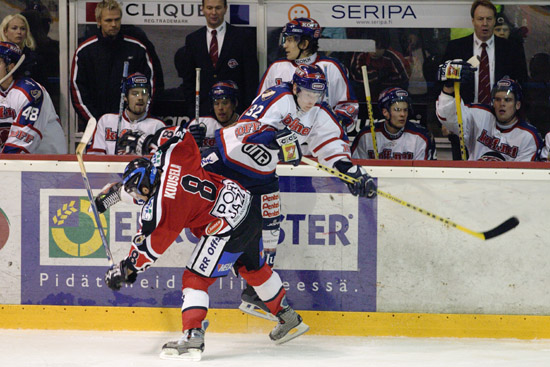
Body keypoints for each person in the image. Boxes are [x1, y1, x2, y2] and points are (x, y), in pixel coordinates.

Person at [102, 131, 309, 361]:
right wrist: (147, 141)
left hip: (227, 225)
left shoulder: (163, 211)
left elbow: (148, 250)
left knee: (195, 279)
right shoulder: (174, 156)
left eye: (133, 192)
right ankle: (287, 316)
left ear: (143, 188)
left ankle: (193, 335)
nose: (136, 197)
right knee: (253, 268)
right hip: (248, 207)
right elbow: (181, 135)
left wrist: (125, 269)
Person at [257, 17, 358, 130]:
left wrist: (336, 122)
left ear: (304, 43)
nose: (285, 45)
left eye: (290, 40)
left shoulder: (331, 67)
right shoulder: (276, 68)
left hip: (320, 141)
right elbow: (259, 107)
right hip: (283, 141)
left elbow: (349, 107)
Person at [70, 0, 157, 127]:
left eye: (117, 19)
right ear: (99, 22)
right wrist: (97, 123)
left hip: (132, 124)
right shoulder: (85, 51)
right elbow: (78, 91)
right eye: (108, 20)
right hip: (96, 125)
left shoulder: (136, 48)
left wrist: (136, 119)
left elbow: (150, 85)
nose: (114, 24)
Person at [436, 60, 542, 161]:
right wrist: (448, 88)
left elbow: (523, 174)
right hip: (473, 177)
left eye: (507, 100)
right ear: (492, 102)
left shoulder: (529, 136)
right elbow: (449, 118)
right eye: (498, 99)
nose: (502, 104)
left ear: (517, 105)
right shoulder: (479, 115)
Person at [178, 0, 259, 118]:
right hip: (203, 113)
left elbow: (251, 79)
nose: (213, 12)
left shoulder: (243, 37)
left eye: (218, 8)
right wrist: (193, 111)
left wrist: (246, 113)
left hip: (236, 113)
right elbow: (189, 80)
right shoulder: (193, 39)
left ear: (225, 9)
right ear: (203, 9)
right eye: (209, 8)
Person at [442, 0, 528, 105]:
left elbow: (523, 83)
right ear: (473, 21)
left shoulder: (512, 49)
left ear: (495, 21)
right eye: (480, 19)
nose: (485, 23)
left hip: (500, 116)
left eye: (489, 19)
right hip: (465, 114)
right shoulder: (455, 48)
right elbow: (444, 84)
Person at [0, 42, 66, 154]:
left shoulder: (31, 92)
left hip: (48, 163)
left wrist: (4, 164)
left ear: (10, 66)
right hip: (13, 164)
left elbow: (22, 141)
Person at [87, 73, 165, 155]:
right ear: (125, 97)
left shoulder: (158, 126)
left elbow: (160, 162)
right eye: (135, 93)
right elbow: (95, 156)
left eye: (144, 93)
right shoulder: (106, 121)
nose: (140, 98)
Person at [351, 87, 436, 160]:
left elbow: (424, 174)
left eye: (405, 110)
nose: (402, 114)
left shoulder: (421, 136)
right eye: (397, 110)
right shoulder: (366, 135)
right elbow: (355, 169)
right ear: (385, 112)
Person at [349, 29, 411, 105]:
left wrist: (385, 79)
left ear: (385, 47)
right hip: (364, 96)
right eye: (372, 47)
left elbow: (404, 80)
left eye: (379, 48)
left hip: (389, 97)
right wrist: (376, 75)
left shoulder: (393, 57)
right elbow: (355, 74)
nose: (375, 51)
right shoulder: (360, 53)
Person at [186, 80, 240, 153]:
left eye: (224, 103)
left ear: (235, 103)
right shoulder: (200, 123)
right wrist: (188, 140)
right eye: (216, 103)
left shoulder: (245, 125)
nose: (220, 108)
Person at [0, 14, 39, 81]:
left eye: (22, 29)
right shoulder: (1, 55)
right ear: (5, 31)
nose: (19, 32)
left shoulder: (33, 58)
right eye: (14, 28)